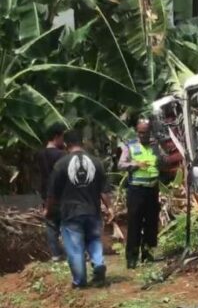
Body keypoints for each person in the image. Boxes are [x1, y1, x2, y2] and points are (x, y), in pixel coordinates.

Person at [46, 130, 114, 288]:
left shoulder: (61, 164)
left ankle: (80, 281)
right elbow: (104, 190)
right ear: (81, 142)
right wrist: (110, 208)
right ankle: (98, 263)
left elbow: (52, 194)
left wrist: (48, 211)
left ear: (65, 144)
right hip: (93, 210)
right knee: (94, 240)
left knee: (75, 248)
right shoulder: (96, 162)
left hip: (71, 212)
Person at [118, 119, 167, 269]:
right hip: (136, 190)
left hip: (152, 189)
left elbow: (165, 161)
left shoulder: (155, 145)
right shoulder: (130, 145)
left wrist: (159, 156)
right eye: (140, 132)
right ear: (136, 131)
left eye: (145, 132)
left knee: (151, 223)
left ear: (150, 132)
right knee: (134, 224)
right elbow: (120, 164)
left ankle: (147, 255)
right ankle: (131, 258)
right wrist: (135, 165)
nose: (143, 135)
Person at [38, 123, 67, 262]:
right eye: (62, 137)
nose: (63, 140)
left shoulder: (40, 154)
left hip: (46, 194)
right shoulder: (61, 155)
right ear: (57, 136)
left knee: (51, 224)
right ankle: (72, 252)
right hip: (61, 194)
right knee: (66, 224)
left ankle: (56, 255)